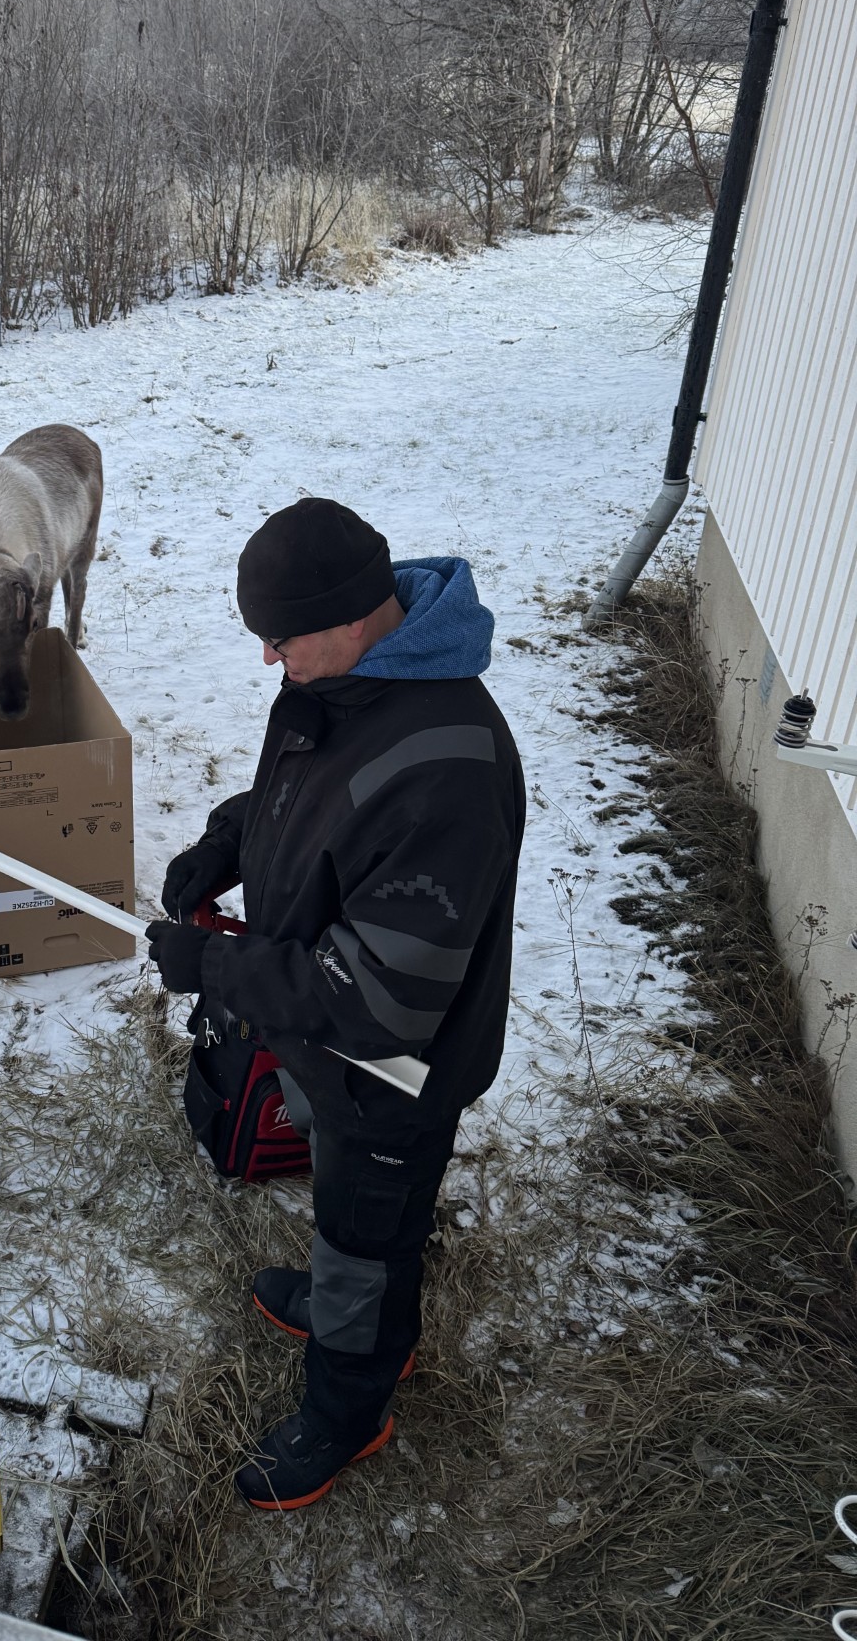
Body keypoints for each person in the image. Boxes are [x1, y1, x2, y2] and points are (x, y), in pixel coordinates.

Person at [145, 498, 525, 1512]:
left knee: (366, 1230)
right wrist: (227, 842)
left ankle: (351, 1407)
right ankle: (352, 1306)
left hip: (391, 1069)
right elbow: (295, 786)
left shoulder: (446, 766)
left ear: (356, 615)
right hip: (323, 1049)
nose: (269, 660)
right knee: (346, 1191)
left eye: (281, 637)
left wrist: (210, 966)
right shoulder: (347, 682)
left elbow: (375, 1001)